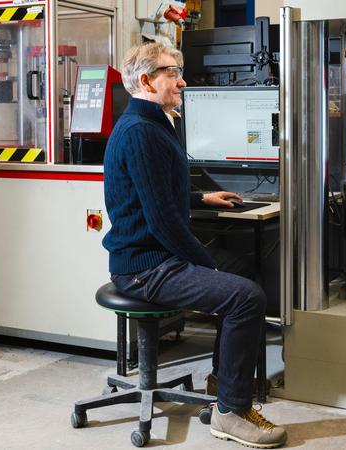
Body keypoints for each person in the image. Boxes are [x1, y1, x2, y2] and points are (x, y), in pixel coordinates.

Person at [102, 42, 287, 449]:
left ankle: (224, 384)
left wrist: (201, 198)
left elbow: (156, 194)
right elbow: (161, 220)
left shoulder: (153, 123)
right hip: (145, 268)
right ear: (146, 80)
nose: (182, 81)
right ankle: (231, 413)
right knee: (246, 297)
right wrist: (205, 264)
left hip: (155, 257)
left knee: (242, 268)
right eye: (172, 73)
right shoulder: (141, 132)